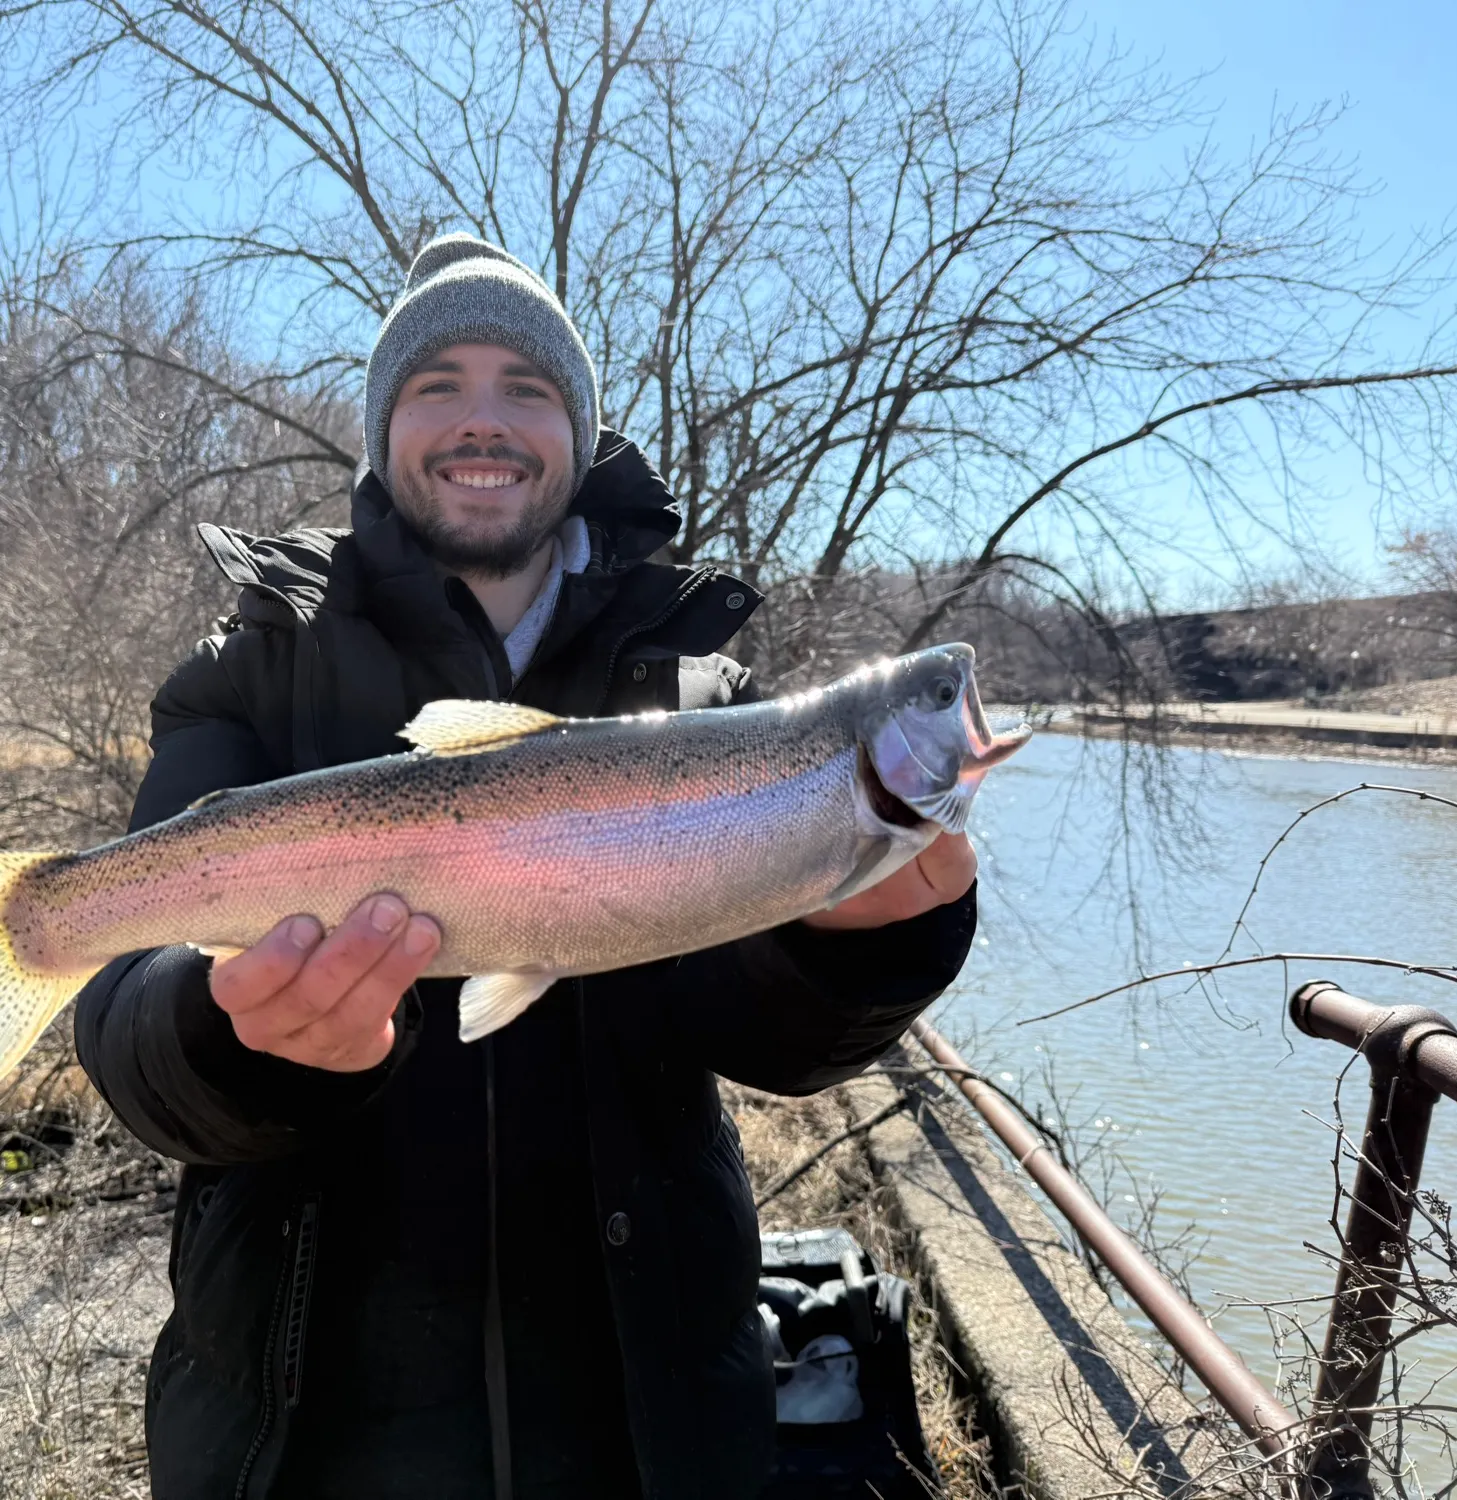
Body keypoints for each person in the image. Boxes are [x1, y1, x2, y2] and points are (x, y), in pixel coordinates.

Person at [74, 234, 978, 1500]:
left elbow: (773, 1043)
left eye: (528, 387)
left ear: (579, 430)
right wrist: (229, 1040)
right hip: (293, 1435)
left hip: (649, 1431)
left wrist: (875, 945)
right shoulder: (252, 664)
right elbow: (124, 1017)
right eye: (438, 383)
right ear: (384, 428)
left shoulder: (704, 696)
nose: (481, 420)